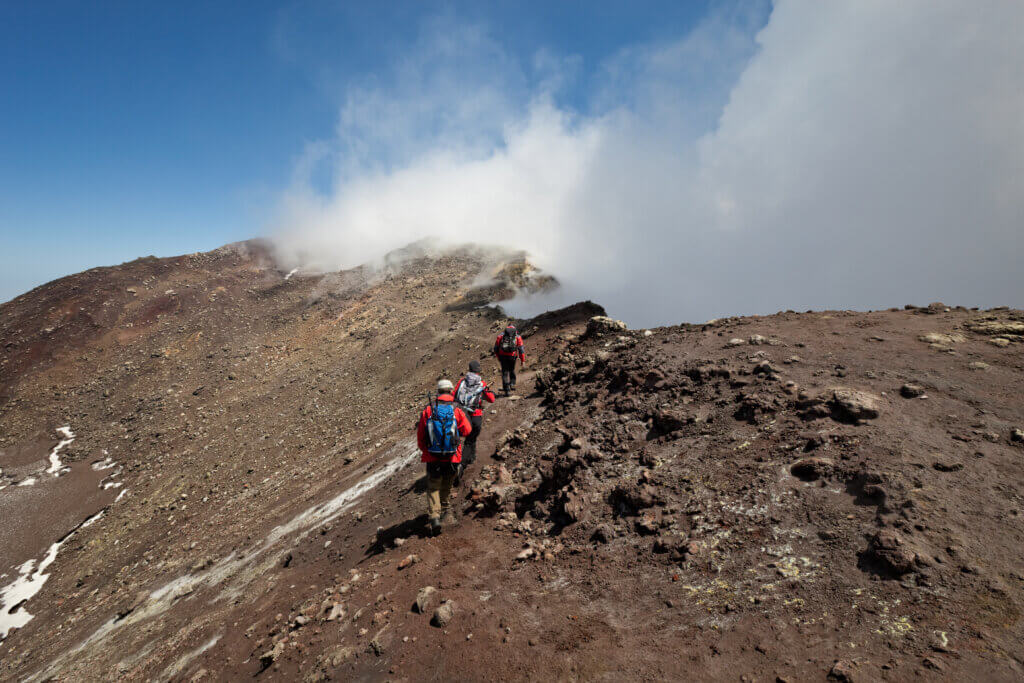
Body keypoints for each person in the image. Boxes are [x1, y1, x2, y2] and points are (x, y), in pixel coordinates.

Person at [416, 379, 472, 536]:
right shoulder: (457, 409)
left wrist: (426, 451)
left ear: (438, 392)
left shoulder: (429, 410)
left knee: (433, 486)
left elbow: (421, 435)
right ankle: (445, 510)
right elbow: (467, 430)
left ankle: (434, 517)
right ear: (451, 391)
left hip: (433, 457)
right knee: (447, 483)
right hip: (452, 457)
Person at [453, 360, 496, 467]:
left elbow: (454, 395)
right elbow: (491, 399)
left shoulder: (461, 382)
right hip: (475, 416)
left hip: (461, 415)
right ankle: (461, 464)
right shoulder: (482, 384)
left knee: (458, 437)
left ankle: (471, 457)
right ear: (478, 370)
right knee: (471, 439)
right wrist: (488, 392)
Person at [493, 324, 525, 395]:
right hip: (512, 356)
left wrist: (498, 357)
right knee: (512, 369)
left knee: (504, 372)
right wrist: (522, 360)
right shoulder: (517, 337)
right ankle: (512, 384)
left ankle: (506, 389)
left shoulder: (500, 336)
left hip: (503, 356)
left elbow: (495, 349)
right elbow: (521, 349)